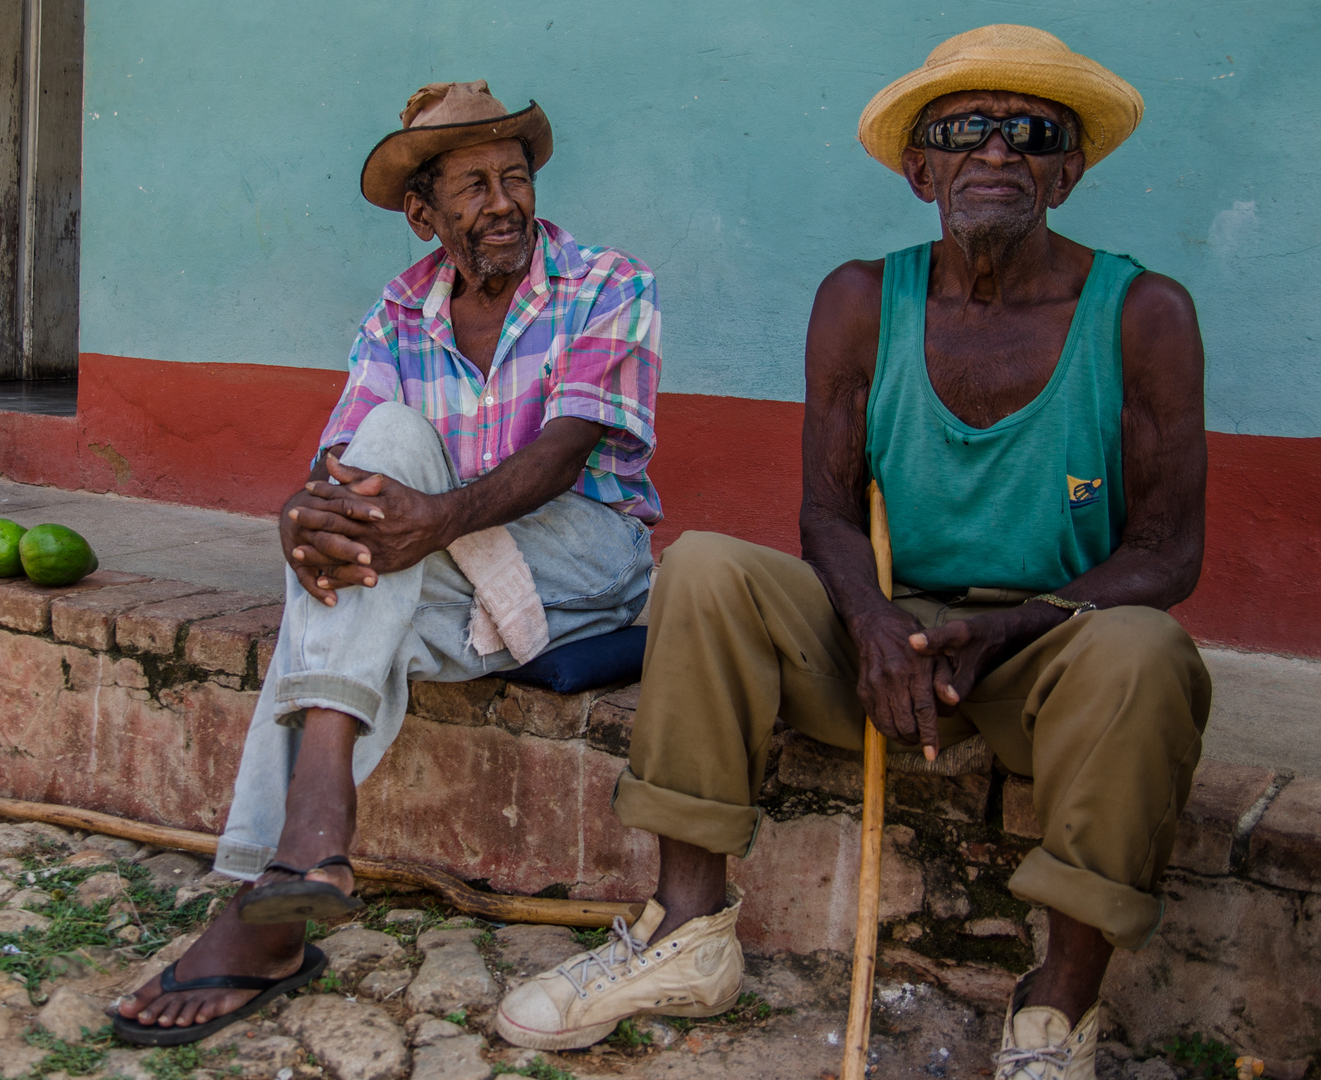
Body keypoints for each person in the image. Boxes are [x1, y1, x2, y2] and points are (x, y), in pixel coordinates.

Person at [496, 26, 1211, 1079]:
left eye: (1030, 132)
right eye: (964, 130)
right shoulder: (862, 301)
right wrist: (873, 620)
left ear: (1071, 166)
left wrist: (1016, 624)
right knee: (701, 568)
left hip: (1044, 651)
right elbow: (826, 511)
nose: (997, 152)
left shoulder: (1144, 314)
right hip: (880, 638)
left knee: (1148, 652)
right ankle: (685, 933)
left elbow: (1167, 551)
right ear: (920, 168)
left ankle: (1058, 1006)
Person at [113, 79, 662, 1045]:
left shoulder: (608, 282)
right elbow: (348, 463)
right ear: (423, 214)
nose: (502, 204)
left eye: (514, 178)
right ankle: (298, 867)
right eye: (472, 187)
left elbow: (564, 454)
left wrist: (425, 522)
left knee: (360, 576)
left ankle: (280, 864)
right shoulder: (401, 308)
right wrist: (302, 513)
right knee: (371, 486)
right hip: (448, 566)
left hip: (585, 550)